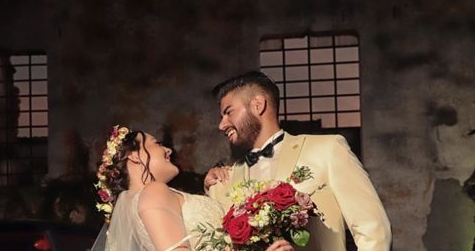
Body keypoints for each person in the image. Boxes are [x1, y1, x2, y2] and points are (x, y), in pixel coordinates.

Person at [204, 71, 392, 251]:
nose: (222, 125)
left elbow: (373, 231)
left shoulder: (328, 149)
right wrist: (208, 189)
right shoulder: (222, 181)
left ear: (258, 105)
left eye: (229, 112)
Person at [93, 125, 295, 251]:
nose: (168, 149)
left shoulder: (145, 200)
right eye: (156, 143)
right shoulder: (153, 192)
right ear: (134, 156)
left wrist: (211, 189)